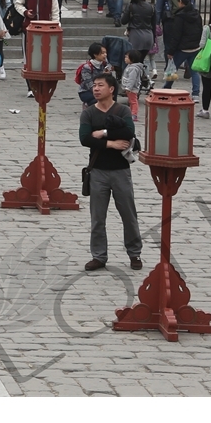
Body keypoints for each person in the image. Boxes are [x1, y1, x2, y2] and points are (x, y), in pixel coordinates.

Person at [80, 72, 142, 273]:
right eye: (94, 86)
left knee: (128, 215)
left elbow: (129, 132)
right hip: (98, 171)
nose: (96, 89)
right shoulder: (89, 113)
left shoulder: (122, 110)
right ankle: (98, 256)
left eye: (100, 85)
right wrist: (111, 143)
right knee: (98, 217)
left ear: (111, 89)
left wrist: (104, 133)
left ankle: (134, 253)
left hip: (121, 171)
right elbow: (85, 138)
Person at [162, 0, 205, 99]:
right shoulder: (197, 15)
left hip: (182, 48)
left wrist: (171, 51)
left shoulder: (179, 17)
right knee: (194, 71)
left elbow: (176, 35)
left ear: (181, 2)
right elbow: (200, 30)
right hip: (195, 47)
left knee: (172, 69)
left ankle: (166, 88)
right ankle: (195, 94)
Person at [123, 0, 157, 64]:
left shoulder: (131, 6)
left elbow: (123, 21)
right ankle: (141, 74)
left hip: (136, 36)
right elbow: (154, 24)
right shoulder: (151, 7)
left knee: (134, 60)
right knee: (141, 60)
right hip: (149, 36)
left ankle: (138, 75)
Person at [74, 41, 109, 106]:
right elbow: (89, 84)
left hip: (101, 89)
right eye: (102, 53)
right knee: (98, 100)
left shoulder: (104, 64)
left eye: (105, 52)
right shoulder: (87, 67)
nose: (105, 55)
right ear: (95, 55)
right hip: (86, 91)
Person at [121, 50, 148, 115]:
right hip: (131, 88)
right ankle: (131, 112)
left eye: (126, 57)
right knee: (131, 101)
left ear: (132, 59)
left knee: (133, 101)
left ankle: (134, 114)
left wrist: (128, 88)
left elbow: (132, 79)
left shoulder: (133, 68)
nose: (125, 59)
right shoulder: (130, 66)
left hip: (132, 88)